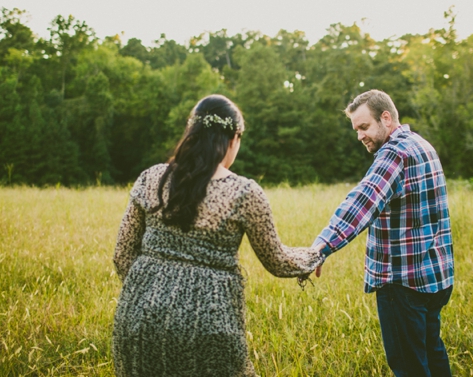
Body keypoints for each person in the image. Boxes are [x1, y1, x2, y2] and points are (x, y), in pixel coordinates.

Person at [112, 94, 324, 377]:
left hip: (138, 319)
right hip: (208, 323)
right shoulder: (244, 192)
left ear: (193, 133)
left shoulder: (151, 177)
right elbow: (278, 261)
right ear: (233, 138)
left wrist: (152, 294)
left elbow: (122, 254)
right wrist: (315, 255)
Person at [312, 89, 454, 377]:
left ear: (386, 118)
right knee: (432, 354)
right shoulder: (421, 145)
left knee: (409, 367)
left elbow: (362, 202)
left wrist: (320, 247)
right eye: (356, 129)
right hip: (434, 277)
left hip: (402, 283)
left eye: (364, 127)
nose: (359, 136)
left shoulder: (394, 154)